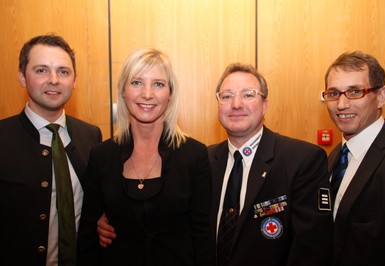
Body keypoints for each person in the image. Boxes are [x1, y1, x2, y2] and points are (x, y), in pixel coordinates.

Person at [97, 62, 333, 265]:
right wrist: (112, 217)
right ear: (218, 104)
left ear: (265, 105)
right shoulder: (201, 160)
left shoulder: (301, 159)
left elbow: (311, 248)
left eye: (248, 95)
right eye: (227, 96)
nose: (236, 104)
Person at [77, 47, 214, 265]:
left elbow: (202, 235)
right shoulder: (101, 155)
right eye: (137, 82)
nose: (147, 94)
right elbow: (87, 238)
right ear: (123, 90)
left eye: (158, 84)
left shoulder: (194, 155)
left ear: (170, 94)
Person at [0, 34, 102, 265]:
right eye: (41, 70)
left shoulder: (91, 136)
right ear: (22, 77)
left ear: (74, 80)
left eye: (63, 72)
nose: (54, 80)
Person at [322, 51, 385, 265]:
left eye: (355, 92)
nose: (341, 104)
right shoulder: (335, 156)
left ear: (381, 96)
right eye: (334, 93)